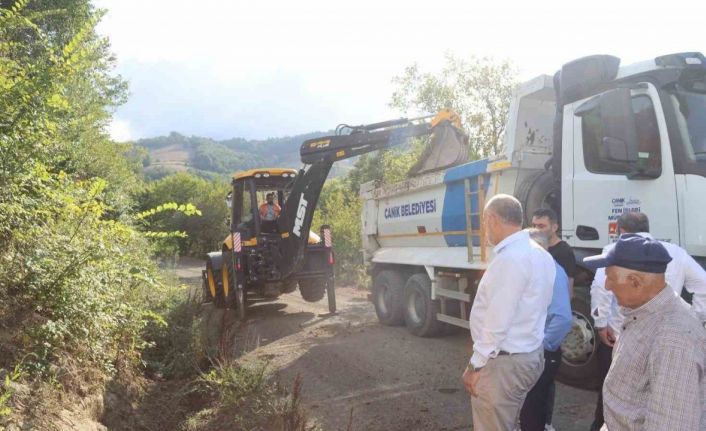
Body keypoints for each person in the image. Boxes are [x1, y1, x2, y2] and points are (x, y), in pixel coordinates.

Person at [589, 212, 706, 431]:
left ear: (634, 281)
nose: (607, 286)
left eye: (611, 278)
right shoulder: (640, 315)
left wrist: (694, 323)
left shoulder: (674, 340)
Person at [462, 194, 556, 431]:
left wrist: (475, 365)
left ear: (492, 218)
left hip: (504, 364)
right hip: (530, 355)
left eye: (484, 222)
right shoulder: (541, 254)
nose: (485, 229)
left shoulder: (511, 259)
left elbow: (497, 320)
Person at [520, 229, 573, 431]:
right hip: (536, 348)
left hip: (542, 350)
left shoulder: (553, 271)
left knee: (534, 406)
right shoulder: (537, 269)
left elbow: (562, 318)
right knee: (532, 404)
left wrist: (543, 346)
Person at [531, 207, 577, 431]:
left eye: (542, 226)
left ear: (554, 227)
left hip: (550, 327)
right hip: (538, 327)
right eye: (535, 225)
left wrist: (548, 339)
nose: (537, 229)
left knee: (545, 381)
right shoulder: (535, 252)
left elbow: (568, 291)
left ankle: (545, 422)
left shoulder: (563, 252)